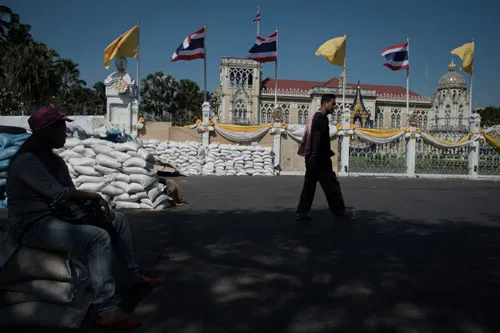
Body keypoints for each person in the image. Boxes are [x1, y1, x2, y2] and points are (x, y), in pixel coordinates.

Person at [6, 107, 158, 330]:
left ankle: (131, 276)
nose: (65, 133)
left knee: (117, 220)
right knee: (96, 238)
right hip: (33, 224)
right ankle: (106, 308)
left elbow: (68, 193)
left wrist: (91, 209)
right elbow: (57, 193)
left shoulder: (55, 162)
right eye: (61, 128)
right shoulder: (27, 162)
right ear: (48, 131)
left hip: (56, 215)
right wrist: (94, 196)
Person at [295, 94, 353, 221]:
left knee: (309, 186)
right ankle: (340, 212)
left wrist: (312, 155)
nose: (334, 106)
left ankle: (301, 212)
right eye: (333, 104)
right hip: (320, 159)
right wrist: (316, 155)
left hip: (312, 158)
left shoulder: (315, 117)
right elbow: (317, 136)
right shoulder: (321, 118)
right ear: (325, 103)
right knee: (331, 186)